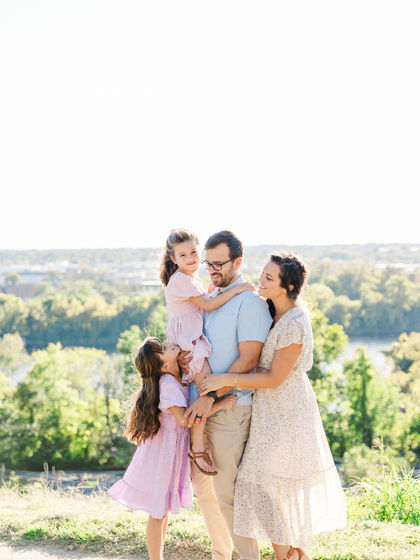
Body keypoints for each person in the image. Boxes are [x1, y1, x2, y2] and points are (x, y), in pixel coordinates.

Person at [200, 253, 347, 560]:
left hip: (287, 410)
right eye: (262, 274)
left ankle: (288, 553)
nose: (261, 280)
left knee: (256, 483)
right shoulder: (269, 308)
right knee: (262, 486)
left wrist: (223, 380)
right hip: (267, 410)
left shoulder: (295, 322)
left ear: (287, 286)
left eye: (269, 278)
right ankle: (290, 553)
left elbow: (275, 378)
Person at [183, 230, 273, 560]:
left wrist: (213, 396)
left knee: (228, 495)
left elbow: (248, 359)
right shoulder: (210, 297)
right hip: (200, 410)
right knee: (205, 494)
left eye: (219, 263)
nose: (212, 269)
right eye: (208, 263)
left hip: (231, 408)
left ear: (238, 261)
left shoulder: (249, 303)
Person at [107, 337, 233, 560]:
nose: (168, 343)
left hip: (170, 453)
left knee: (162, 510)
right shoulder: (167, 384)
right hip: (162, 456)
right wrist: (220, 405)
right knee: (157, 512)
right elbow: (185, 419)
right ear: (164, 366)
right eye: (164, 348)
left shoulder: (177, 379)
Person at [160, 228, 255, 475]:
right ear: (174, 259)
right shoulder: (181, 281)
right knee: (204, 392)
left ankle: (210, 418)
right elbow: (209, 304)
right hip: (189, 345)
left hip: (190, 341)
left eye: (194, 252)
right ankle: (198, 448)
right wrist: (238, 288)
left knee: (203, 391)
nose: (191, 259)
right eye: (183, 255)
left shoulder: (190, 280)